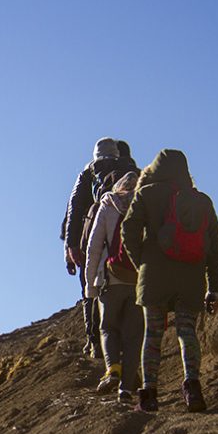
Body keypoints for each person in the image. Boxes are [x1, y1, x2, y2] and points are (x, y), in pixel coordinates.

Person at [120, 149, 218, 413]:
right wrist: (215, 288)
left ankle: (149, 396)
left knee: (152, 334)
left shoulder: (146, 194)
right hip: (191, 276)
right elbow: (214, 248)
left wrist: (141, 262)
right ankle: (192, 389)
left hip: (154, 276)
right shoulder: (202, 201)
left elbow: (128, 231)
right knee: (187, 331)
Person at [63, 137, 137, 358]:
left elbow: (74, 210)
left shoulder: (88, 173)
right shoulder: (132, 172)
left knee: (90, 288)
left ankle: (94, 340)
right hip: (124, 238)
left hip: (92, 237)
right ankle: (125, 341)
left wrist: (70, 246)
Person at [84, 171, 143, 403]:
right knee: (133, 335)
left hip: (111, 278)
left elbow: (94, 247)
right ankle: (126, 390)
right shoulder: (145, 204)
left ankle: (113, 369)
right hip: (138, 280)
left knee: (108, 327)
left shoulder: (108, 205)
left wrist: (90, 285)